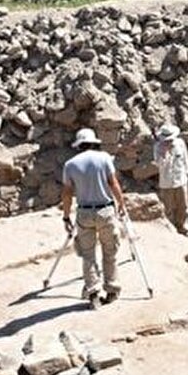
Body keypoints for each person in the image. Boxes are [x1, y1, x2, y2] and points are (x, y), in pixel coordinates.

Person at [61, 128, 127, 309]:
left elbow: (67, 194)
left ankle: (94, 293)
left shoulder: (70, 164)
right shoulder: (104, 158)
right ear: (93, 142)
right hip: (105, 211)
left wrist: (66, 217)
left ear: (78, 145)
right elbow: (113, 183)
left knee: (88, 255)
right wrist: (121, 203)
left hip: (84, 213)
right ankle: (112, 289)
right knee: (110, 251)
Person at [153, 123, 188, 235]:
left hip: (181, 179)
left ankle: (183, 228)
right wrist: (165, 154)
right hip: (166, 182)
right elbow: (160, 165)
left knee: (183, 206)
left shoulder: (180, 143)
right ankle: (170, 231)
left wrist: (187, 172)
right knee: (167, 208)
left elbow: (185, 158)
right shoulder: (158, 147)